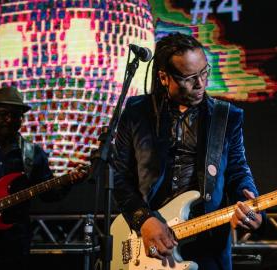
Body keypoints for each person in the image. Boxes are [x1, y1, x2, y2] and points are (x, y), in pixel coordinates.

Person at [112, 32, 264, 269]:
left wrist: (248, 200)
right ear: (164, 77)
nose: (201, 83)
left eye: (204, 72)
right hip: (148, 240)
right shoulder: (136, 112)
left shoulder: (227, 117)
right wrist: (143, 219)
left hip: (207, 243)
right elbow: (119, 176)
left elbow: (237, 170)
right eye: (190, 77)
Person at [0, 86, 87, 270]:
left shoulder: (33, 154)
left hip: (14, 242)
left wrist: (69, 181)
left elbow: (49, 195)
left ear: (22, 118)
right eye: (3, 114)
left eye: (15, 115)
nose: (9, 119)